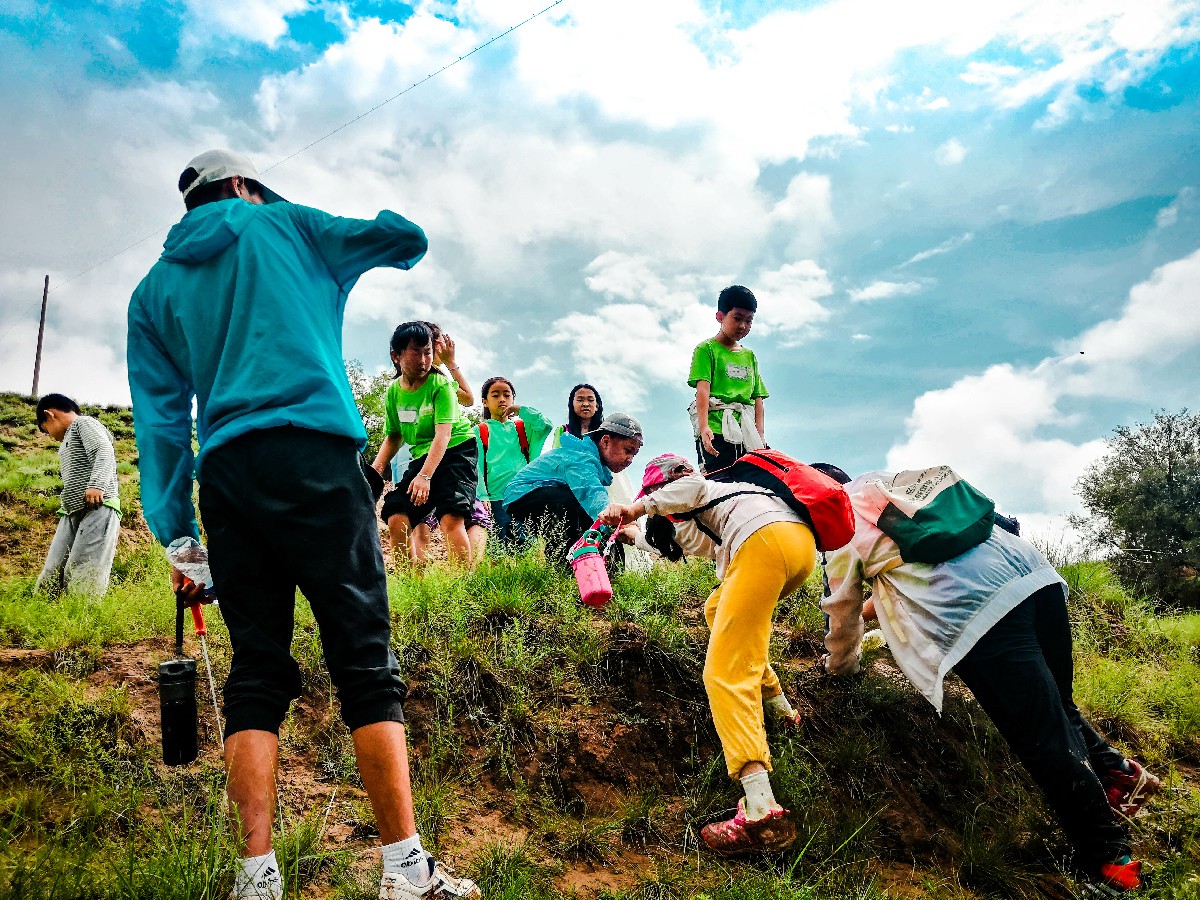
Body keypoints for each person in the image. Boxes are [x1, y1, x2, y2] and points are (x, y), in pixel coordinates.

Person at [127, 149, 479, 900]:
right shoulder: (287, 225)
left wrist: (179, 536)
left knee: (257, 669)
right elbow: (405, 236)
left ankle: (255, 880)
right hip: (316, 459)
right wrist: (319, 229)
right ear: (247, 187)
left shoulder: (153, 291)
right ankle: (406, 872)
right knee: (362, 659)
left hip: (226, 476)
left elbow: (160, 423)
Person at [821, 467, 1160, 895]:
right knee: (1056, 705)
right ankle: (1119, 774)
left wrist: (840, 667)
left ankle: (1112, 862)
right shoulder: (890, 489)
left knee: (1042, 738)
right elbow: (908, 569)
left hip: (982, 613)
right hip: (1036, 577)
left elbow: (842, 609)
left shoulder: (836, 521)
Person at [599, 452, 816, 856]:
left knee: (723, 674)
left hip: (764, 544)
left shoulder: (700, 487)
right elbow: (684, 543)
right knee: (718, 610)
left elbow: (686, 488)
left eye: (659, 492)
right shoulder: (722, 502)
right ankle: (783, 711)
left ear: (661, 489)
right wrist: (634, 533)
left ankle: (760, 809)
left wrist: (634, 506)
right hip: (796, 546)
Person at [373, 322, 480, 568]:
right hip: (423, 455)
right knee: (396, 513)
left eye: (428, 352)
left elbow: (443, 434)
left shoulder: (440, 385)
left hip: (457, 451)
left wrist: (425, 476)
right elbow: (394, 435)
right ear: (396, 355)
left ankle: (461, 587)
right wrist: (376, 469)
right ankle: (410, 583)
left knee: (450, 516)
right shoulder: (393, 392)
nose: (424, 359)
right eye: (416, 352)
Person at [504, 412, 642, 562]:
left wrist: (616, 528)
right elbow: (591, 493)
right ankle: (566, 570)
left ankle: (610, 576)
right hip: (523, 493)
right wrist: (617, 521)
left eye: (634, 454)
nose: (630, 460)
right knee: (570, 511)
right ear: (606, 441)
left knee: (595, 528)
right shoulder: (580, 458)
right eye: (628, 450)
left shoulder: (594, 464)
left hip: (547, 494)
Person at [33, 394, 121, 598]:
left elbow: (104, 450)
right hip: (73, 509)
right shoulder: (67, 439)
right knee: (53, 568)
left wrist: (97, 485)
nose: (51, 436)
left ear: (50, 414)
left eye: (46, 430)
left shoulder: (84, 423)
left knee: (85, 568)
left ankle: (82, 619)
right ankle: (46, 612)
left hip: (99, 504)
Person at [688, 285, 768, 473]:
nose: (742, 326)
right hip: (717, 427)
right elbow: (703, 390)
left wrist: (761, 435)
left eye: (749, 321)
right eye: (737, 318)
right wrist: (703, 426)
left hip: (747, 431)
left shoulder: (750, 356)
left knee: (754, 479)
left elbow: (757, 399)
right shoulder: (706, 349)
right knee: (719, 480)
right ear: (720, 316)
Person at [475, 376, 553, 545]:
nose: (502, 399)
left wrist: (521, 410)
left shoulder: (522, 427)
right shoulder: (480, 431)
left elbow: (545, 424)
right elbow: (477, 466)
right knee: (497, 549)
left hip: (523, 496)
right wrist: (482, 496)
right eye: (495, 395)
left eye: (507, 395)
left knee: (525, 546)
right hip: (495, 498)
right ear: (485, 401)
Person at [545, 383, 603, 451]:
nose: (585, 404)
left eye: (590, 400)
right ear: (572, 405)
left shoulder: (605, 432)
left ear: (596, 406)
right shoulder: (563, 430)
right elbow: (557, 456)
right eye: (580, 400)